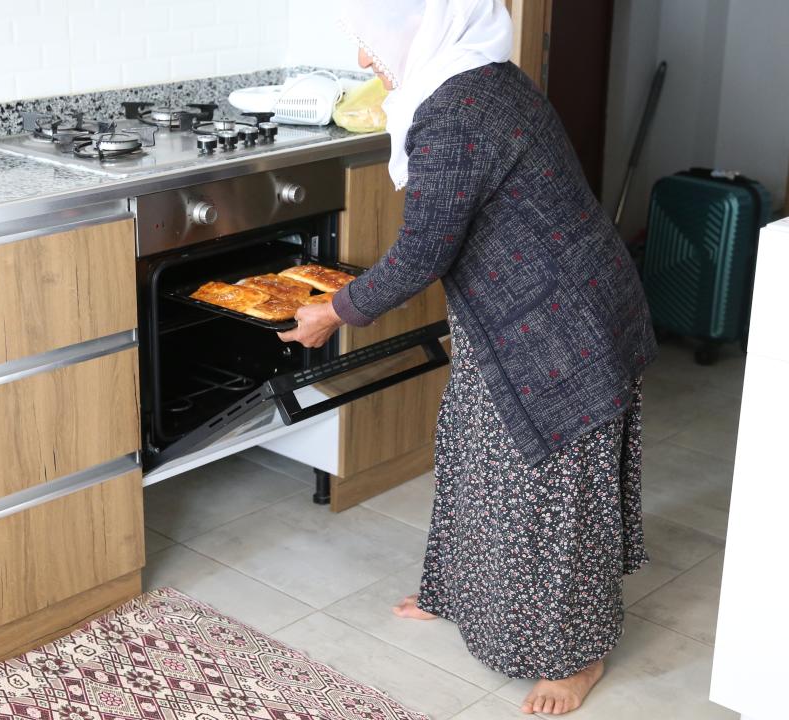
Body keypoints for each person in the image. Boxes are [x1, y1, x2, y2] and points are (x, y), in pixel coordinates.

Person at [277, 0, 658, 715]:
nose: (363, 60)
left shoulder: (455, 110)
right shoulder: (481, 73)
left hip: (560, 327)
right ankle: (457, 591)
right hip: (517, 313)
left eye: (369, 40)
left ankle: (576, 655)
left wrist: (335, 310)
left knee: (553, 495)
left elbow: (423, 252)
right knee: (471, 452)